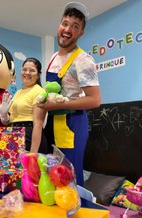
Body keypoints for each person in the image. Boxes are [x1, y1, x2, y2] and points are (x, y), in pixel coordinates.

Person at [37, 2, 101, 186]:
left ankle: (77, 213)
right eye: (65, 23)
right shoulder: (53, 58)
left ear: (81, 33)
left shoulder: (83, 60)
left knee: (69, 176)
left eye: (75, 26)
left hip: (72, 124)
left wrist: (57, 105)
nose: (67, 30)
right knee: (53, 175)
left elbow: (95, 100)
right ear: (59, 25)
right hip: (53, 123)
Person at [6, 57, 48, 154]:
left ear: (38, 74)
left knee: (29, 168)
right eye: (24, 69)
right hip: (15, 134)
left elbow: (38, 124)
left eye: (32, 70)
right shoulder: (18, 92)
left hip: (29, 136)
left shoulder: (39, 92)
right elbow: (12, 116)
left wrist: (33, 154)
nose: (27, 73)